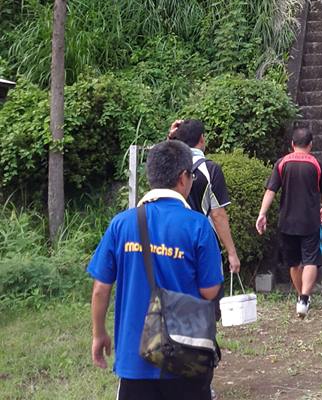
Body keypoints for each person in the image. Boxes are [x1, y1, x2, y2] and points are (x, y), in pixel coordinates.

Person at [87, 138, 223, 400]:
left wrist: (99, 333)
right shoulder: (198, 225)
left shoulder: (121, 224)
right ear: (183, 177)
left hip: (134, 359)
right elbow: (209, 291)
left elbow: (101, 288)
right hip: (186, 355)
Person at [255, 124, 322, 318]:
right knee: (311, 260)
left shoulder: (282, 163)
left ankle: (300, 297)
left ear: (292, 143)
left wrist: (262, 213)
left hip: (287, 221)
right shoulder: (316, 164)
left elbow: (271, 190)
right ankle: (304, 298)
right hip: (310, 220)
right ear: (310, 144)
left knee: (294, 263)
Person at [168, 120, 241, 276]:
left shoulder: (170, 166)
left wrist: (170, 138)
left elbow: (161, 156)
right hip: (203, 239)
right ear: (202, 138)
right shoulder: (210, 169)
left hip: (171, 239)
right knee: (208, 287)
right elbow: (218, 215)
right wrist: (232, 253)